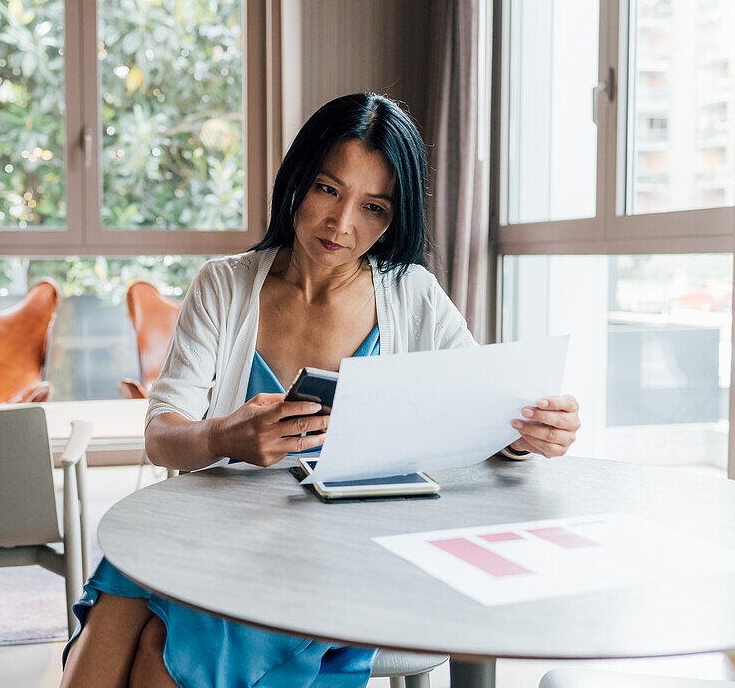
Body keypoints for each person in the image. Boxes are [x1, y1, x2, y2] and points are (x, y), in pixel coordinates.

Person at [60, 93, 581, 688]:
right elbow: (161, 438)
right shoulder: (225, 287)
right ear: (298, 180)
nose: (342, 224)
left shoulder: (411, 295)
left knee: (158, 652)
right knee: (111, 624)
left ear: (394, 217)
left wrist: (525, 435)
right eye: (329, 190)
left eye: (373, 206)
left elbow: (475, 416)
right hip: (212, 531)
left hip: (340, 553)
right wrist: (225, 434)